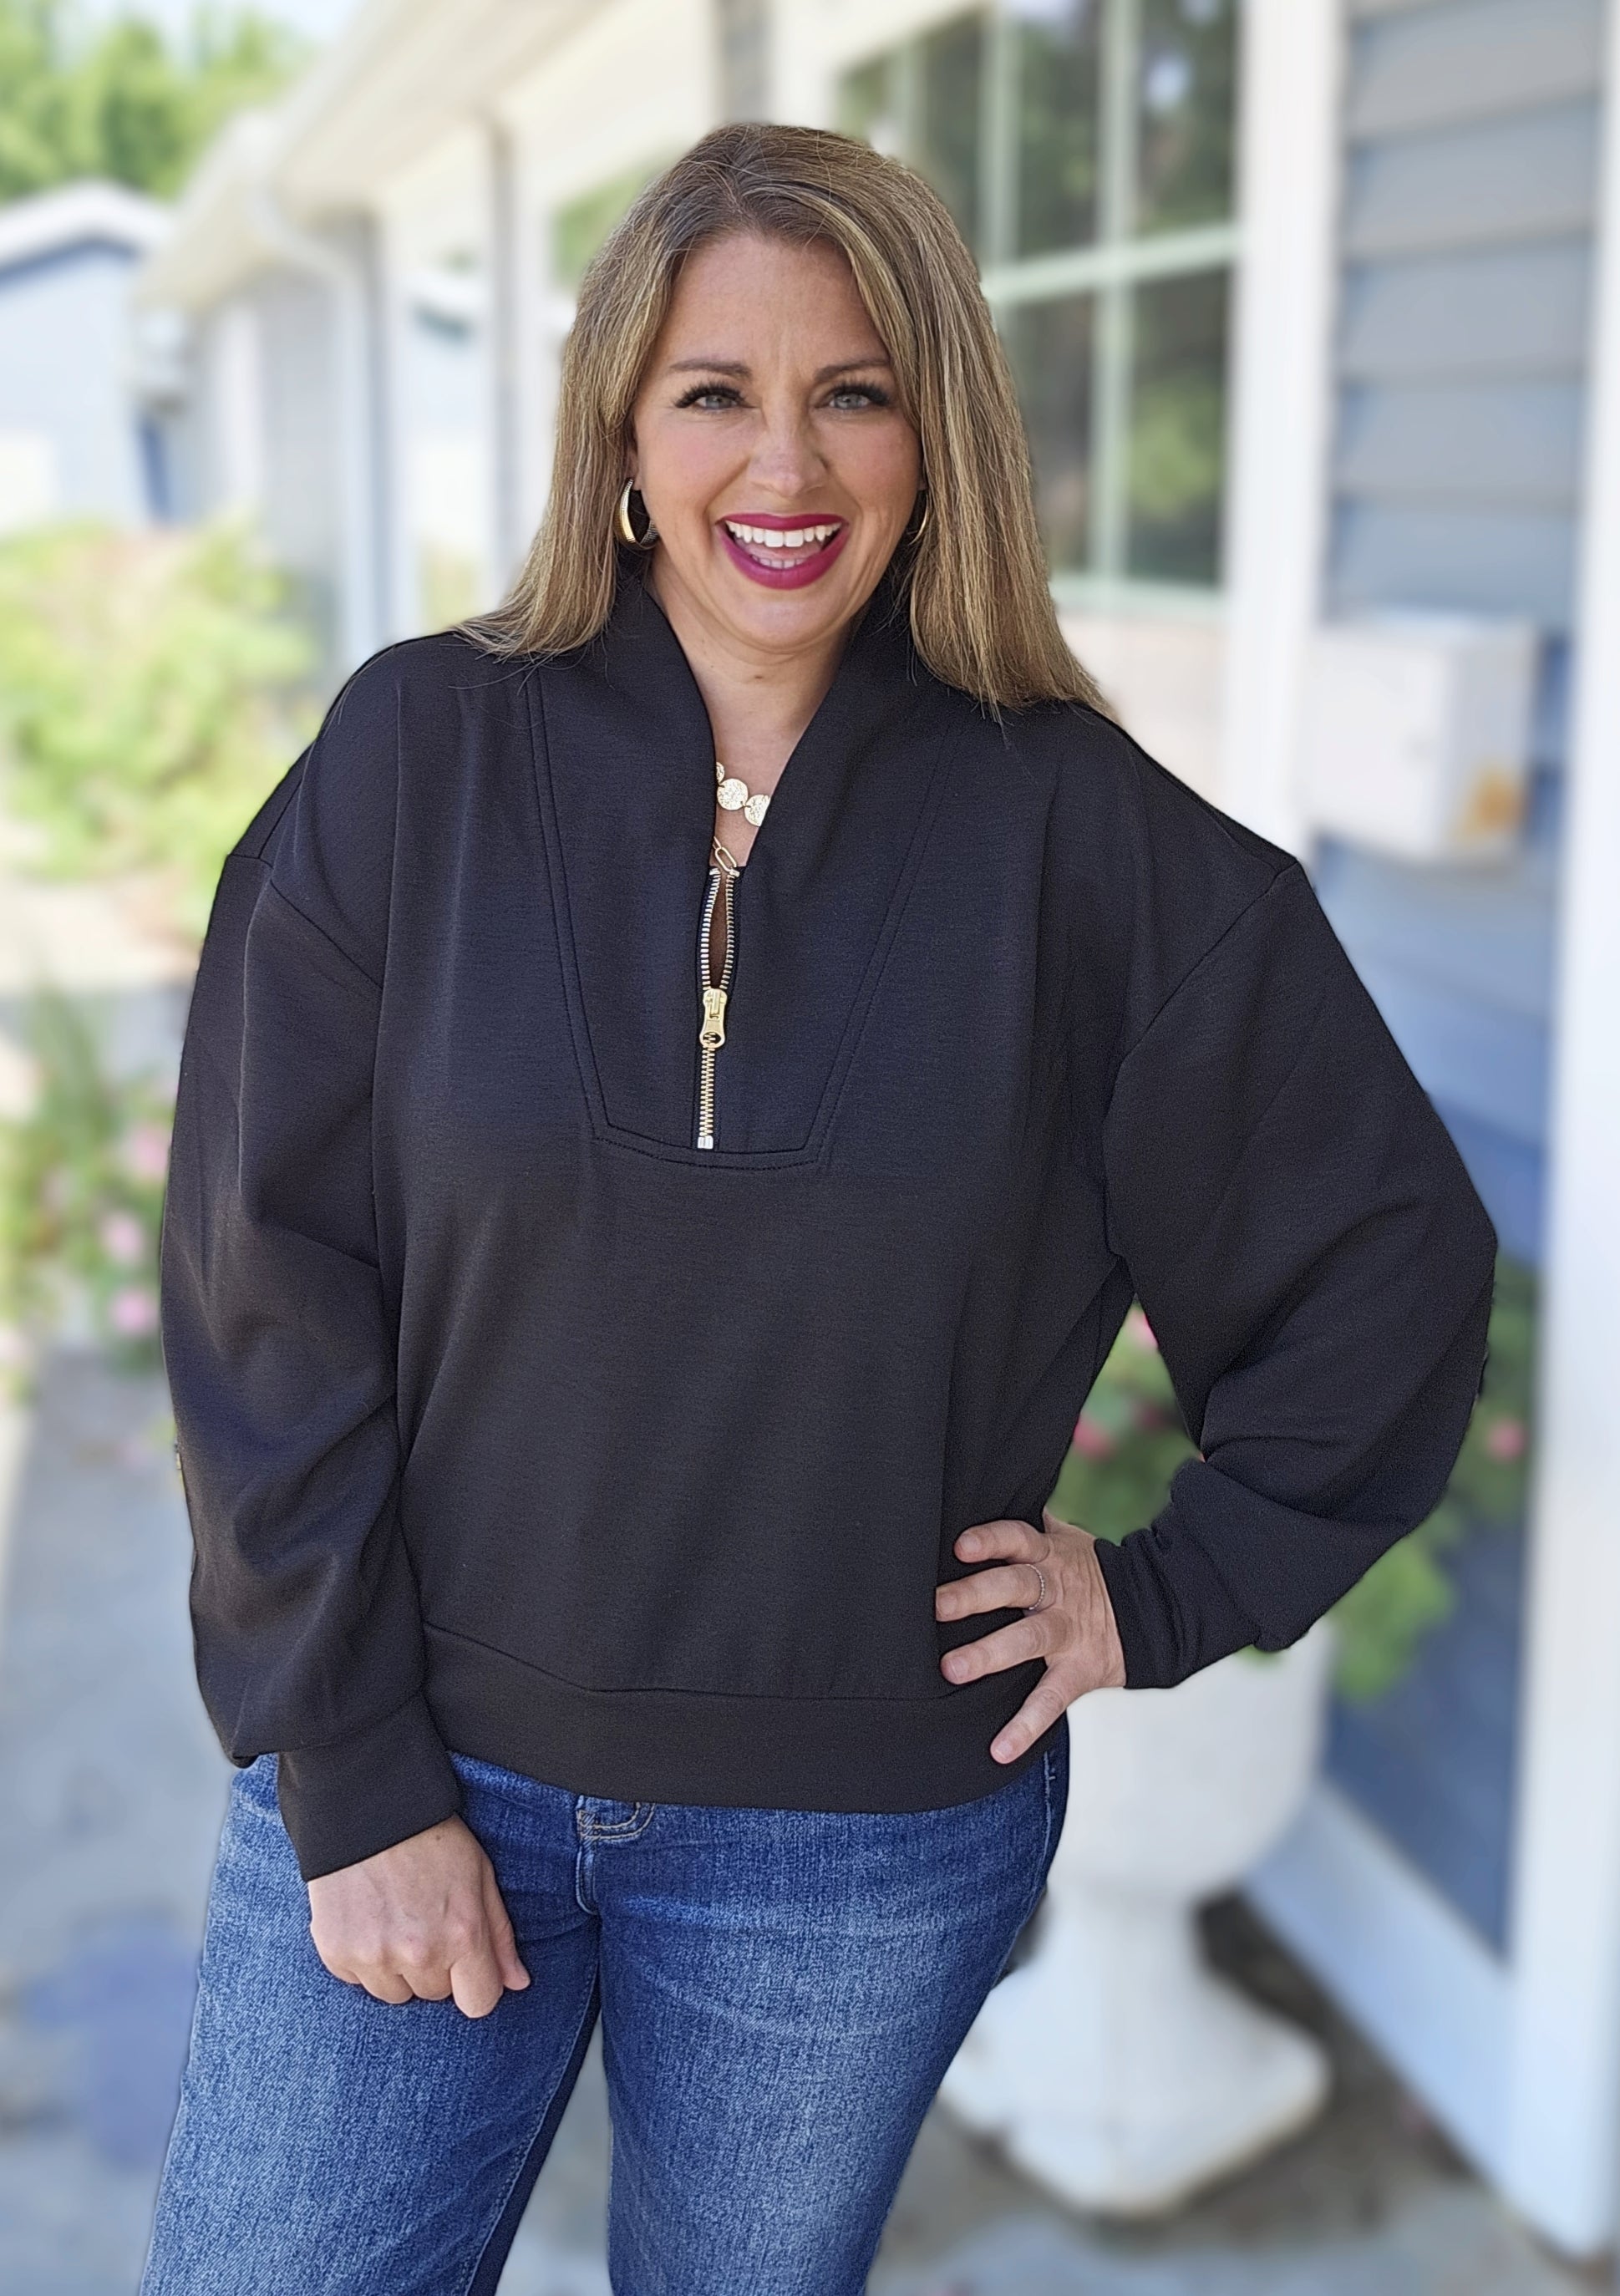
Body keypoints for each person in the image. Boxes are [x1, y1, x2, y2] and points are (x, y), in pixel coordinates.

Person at [140, 122, 1496, 2296]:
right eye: (716, 392)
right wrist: (353, 1764)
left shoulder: (1079, 843)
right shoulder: (418, 761)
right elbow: (257, 1282)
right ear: (620, 434)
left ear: (934, 437)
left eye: (853, 392)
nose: (785, 463)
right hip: (418, 1765)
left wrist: (1165, 1591)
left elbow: (1386, 1258)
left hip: (853, 1856)